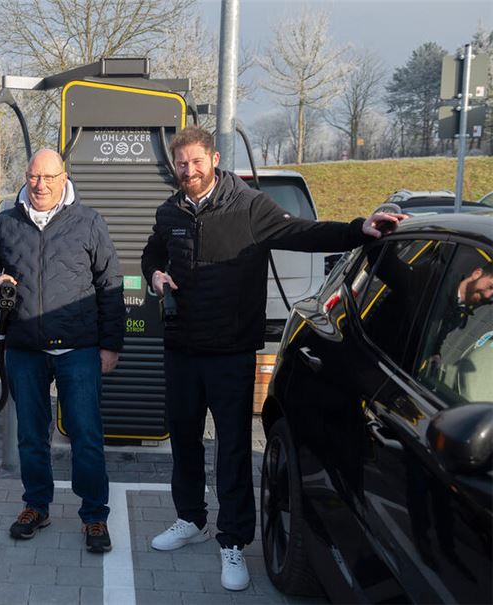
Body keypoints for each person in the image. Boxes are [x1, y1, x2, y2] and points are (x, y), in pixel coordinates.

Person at [140, 126, 406, 591]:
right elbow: (150, 256)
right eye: (181, 164)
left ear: (214, 159)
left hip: (230, 353)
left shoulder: (248, 206)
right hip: (181, 350)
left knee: (233, 449)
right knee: (183, 440)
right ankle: (191, 519)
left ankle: (233, 541)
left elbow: (303, 232)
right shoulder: (170, 212)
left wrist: (358, 229)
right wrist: (156, 277)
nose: (189, 171)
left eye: (196, 162)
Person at [0, 149, 125, 554]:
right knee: (30, 436)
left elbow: (111, 285)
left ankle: (94, 515)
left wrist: (111, 345)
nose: (39, 184)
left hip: (78, 349)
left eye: (48, 177)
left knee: (86, 435)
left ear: (64, 178)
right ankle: (35, 505)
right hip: (25, 348)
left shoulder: (89, 222)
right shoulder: (6, 222)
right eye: (33, 176)